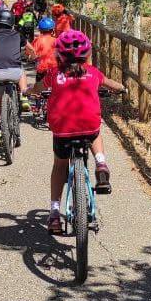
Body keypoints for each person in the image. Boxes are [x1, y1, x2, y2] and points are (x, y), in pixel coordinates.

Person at [30, 29, 124, 234]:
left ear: (59, 55)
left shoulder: (55, 74)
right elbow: (111, 84)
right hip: (88, 127)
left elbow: (39, 88)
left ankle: (54, 214)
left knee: (59, 166)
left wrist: (30, 90)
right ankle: (101, 163)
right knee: (95, 130)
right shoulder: (93, 72)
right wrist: (122, 88)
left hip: (62, 131)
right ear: (87, 54)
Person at [0, 8, 28, 145]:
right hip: (15, 73)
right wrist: (33, 56)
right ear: (12, 22)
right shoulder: (18, 34)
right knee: (21, 70)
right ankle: (23, 95)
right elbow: (31, 49)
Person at [28, 17, 58, 85]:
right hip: (55, 68)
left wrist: (31, 58)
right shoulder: (56, 40)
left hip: (42, 69)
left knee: (39, 88)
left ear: (40, 30)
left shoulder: (37, 40)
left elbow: (31, 53)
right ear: (52, 30)